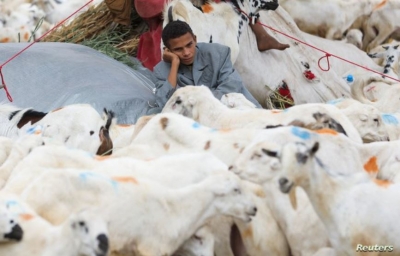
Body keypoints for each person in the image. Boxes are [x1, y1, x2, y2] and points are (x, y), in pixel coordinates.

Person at [152, 20, 262, 110]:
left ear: (195, 39)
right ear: (168, 50)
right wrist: (174, 64)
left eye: (189, 45)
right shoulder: (161, 71)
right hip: (203, 125)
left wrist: (197, 103)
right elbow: (164, 103)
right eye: (178, 49)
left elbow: (231, 86)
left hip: (237, 109)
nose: (186, 52)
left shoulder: (218, 53)